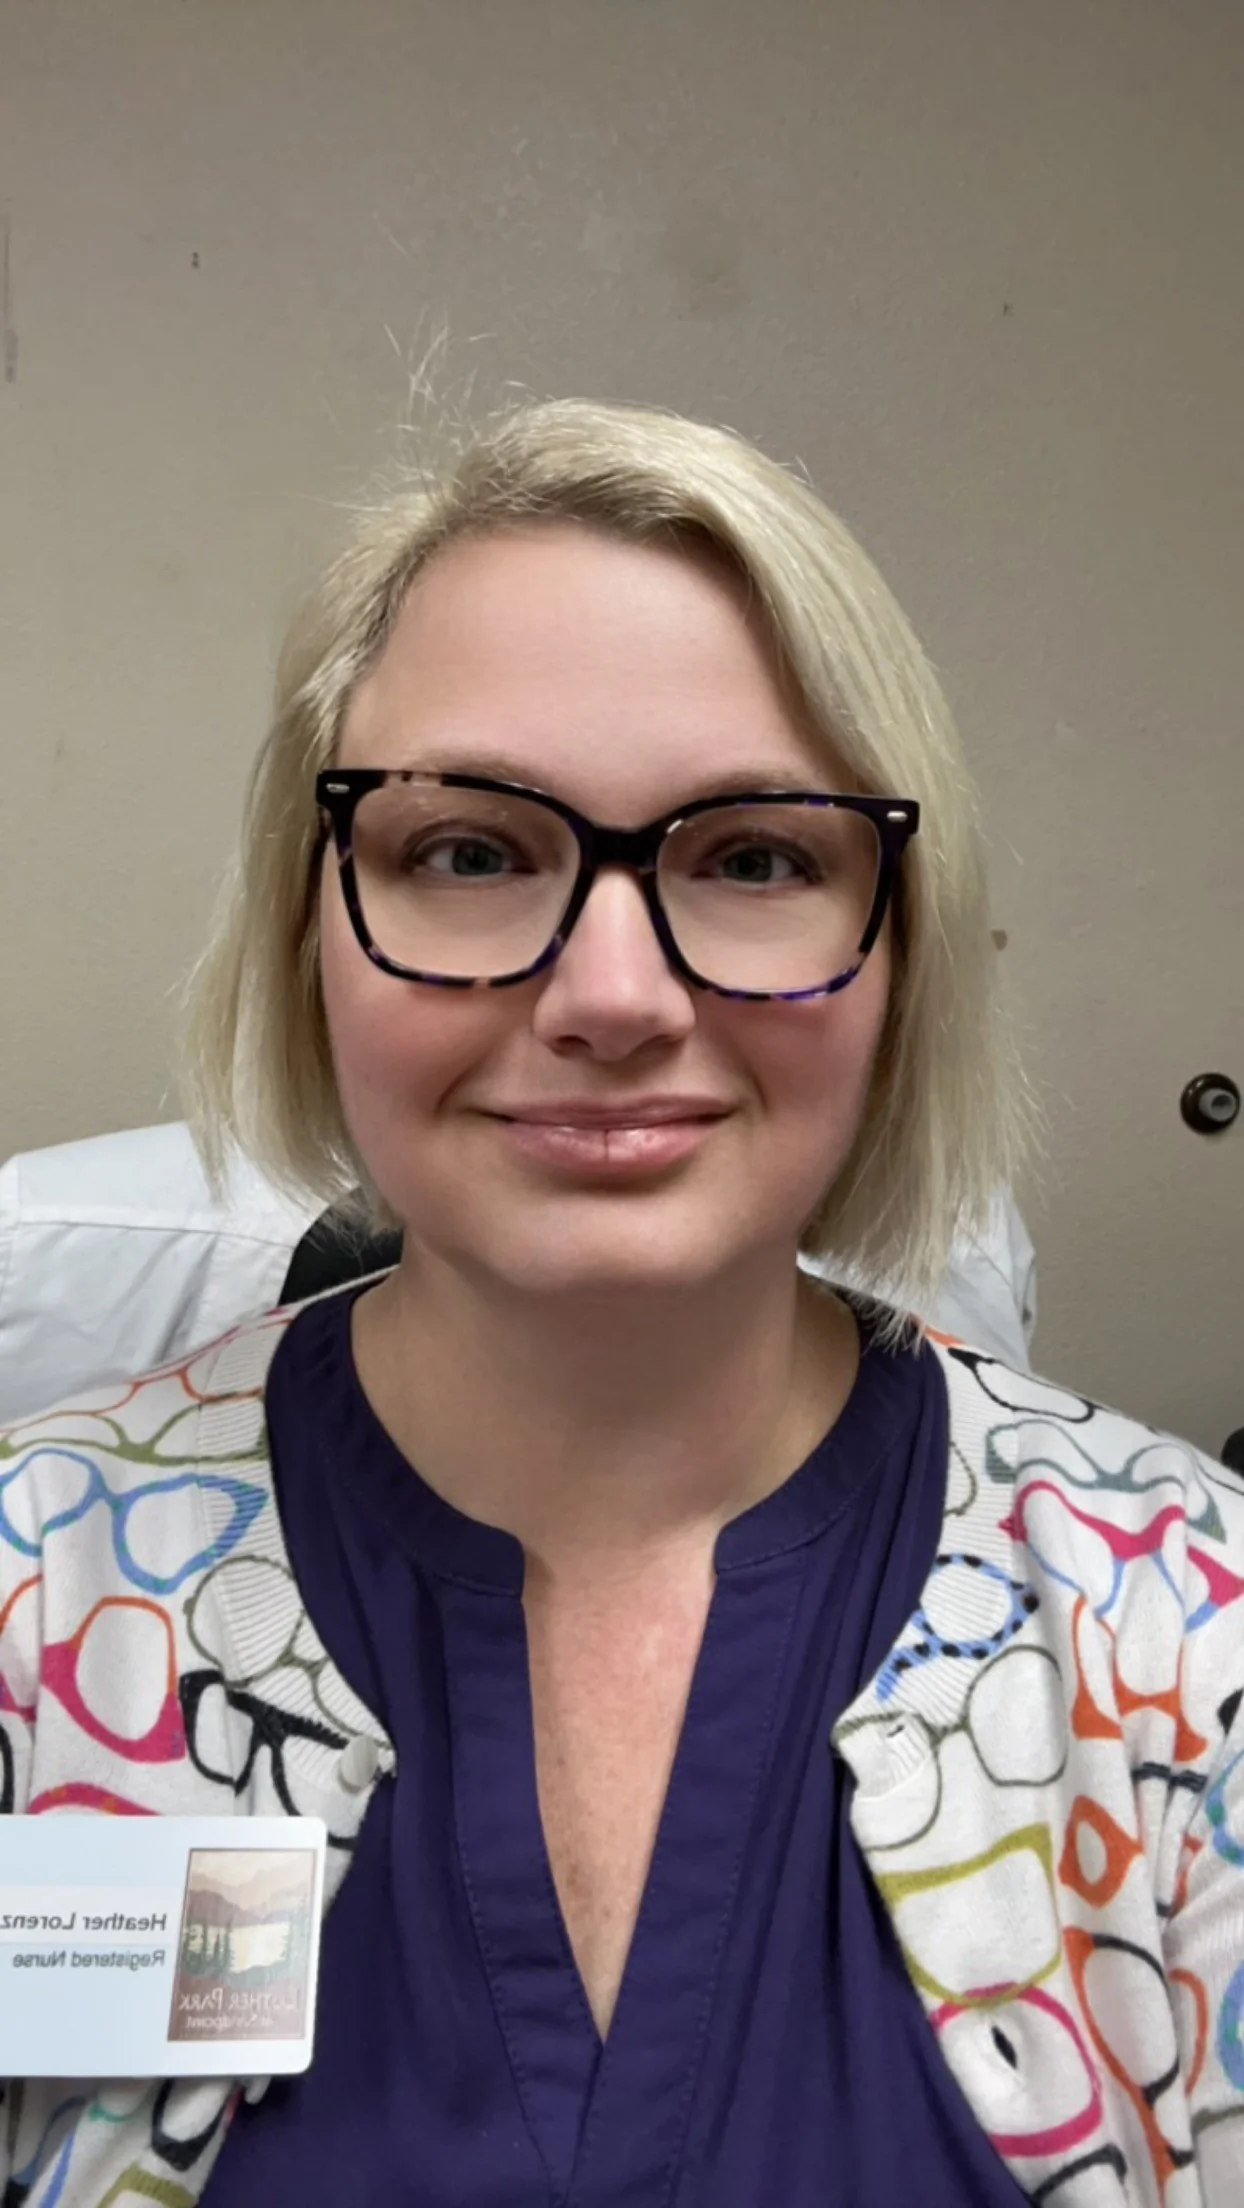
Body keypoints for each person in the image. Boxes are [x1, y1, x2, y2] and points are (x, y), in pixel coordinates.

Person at [1, 398, 1240, 2207]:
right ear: (311, 928)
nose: (608, 994)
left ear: (901, 945)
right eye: (469, 850)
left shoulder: (1197, 1647)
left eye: (752, 860)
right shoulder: (36, 1611)